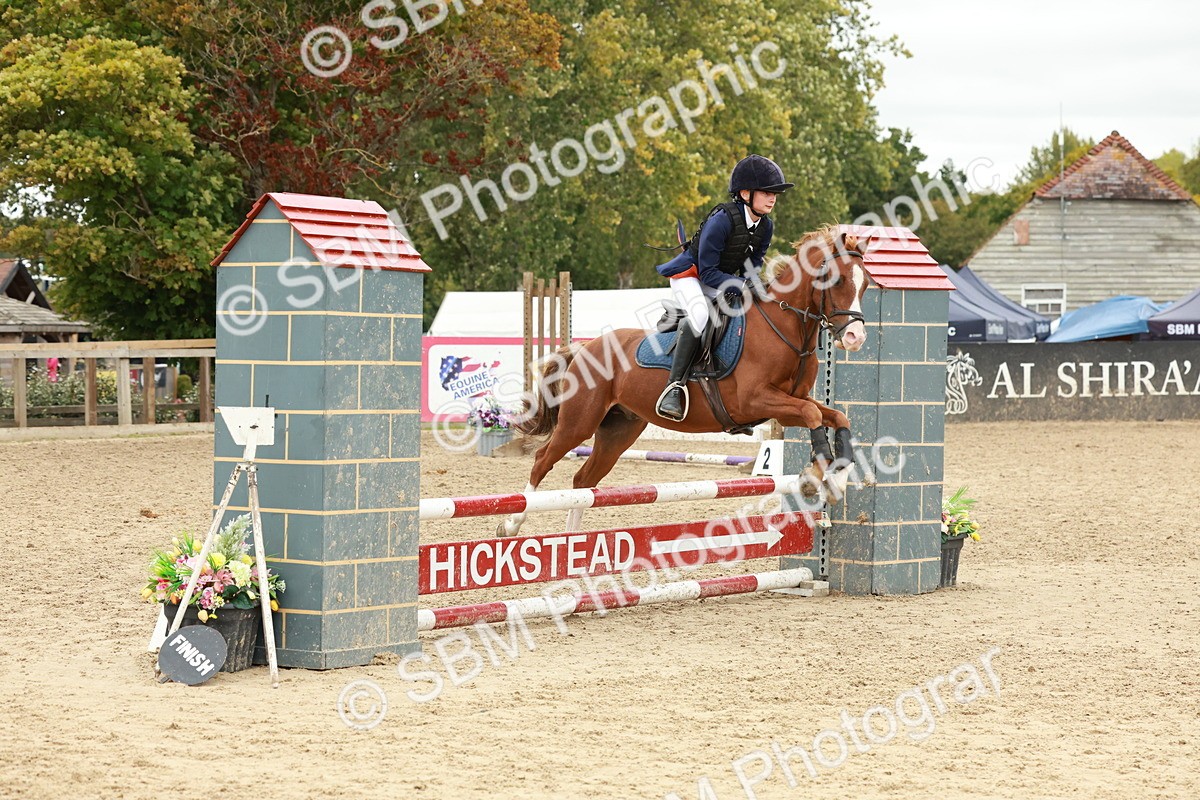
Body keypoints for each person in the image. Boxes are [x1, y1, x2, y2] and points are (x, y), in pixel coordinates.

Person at [653, 154, 793, 421]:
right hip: (691, 277)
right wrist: (740, 284)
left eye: (774, 193)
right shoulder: (722, 219)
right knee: (702, 316)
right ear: (745, 193)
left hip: (721, 279)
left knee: (752, 311)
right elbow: (706, 270)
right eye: (767, 192)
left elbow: (752, 265)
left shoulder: (766, 225)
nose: (773, 198)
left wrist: (758, 286)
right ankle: (674, 387)